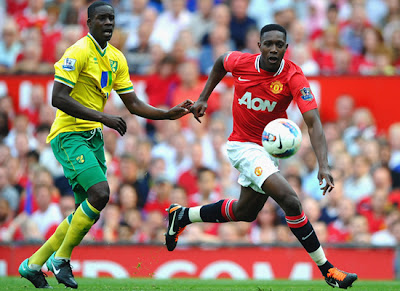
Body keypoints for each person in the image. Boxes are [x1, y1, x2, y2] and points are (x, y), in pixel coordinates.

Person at [166, 24, 358, 289]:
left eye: (280, 45)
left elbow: (313, 122)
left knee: (245, 212)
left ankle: (183, 216)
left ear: (286, 49)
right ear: (259, 46)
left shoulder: (294, 76)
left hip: (267, 152)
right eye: (269, 44)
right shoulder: (242, 62)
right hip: (242, 146)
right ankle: (328, 270)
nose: (274, 49)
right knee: (291, 201)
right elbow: (221, 62)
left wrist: (323, 165)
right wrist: (203, 97)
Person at [18, 1, 193, 289]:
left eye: (111, 18)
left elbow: (133, 103)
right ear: (89, 22)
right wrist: (104, 117)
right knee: (100, 193)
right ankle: (60, 259)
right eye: (102, 18)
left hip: (93, 138)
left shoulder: (116, 58)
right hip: (70, 135)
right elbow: (58, 97)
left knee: (83, 211)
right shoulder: (78, 51)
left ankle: (33, 264)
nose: (109, 23)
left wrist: (167, 113)